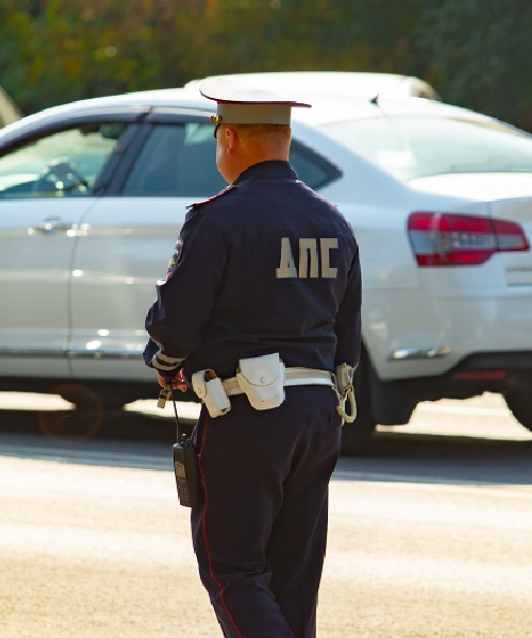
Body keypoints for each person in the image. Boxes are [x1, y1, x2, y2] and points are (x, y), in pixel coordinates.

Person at [144, 78, 361, 638]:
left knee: (233, 569)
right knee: (293, 580)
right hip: (318, 415)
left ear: (230, 138)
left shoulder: (218, 218)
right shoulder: (333, 221)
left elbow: (174, 323)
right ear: (285, 140)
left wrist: (166, 362)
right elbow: (347, 332)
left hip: (248, 415)